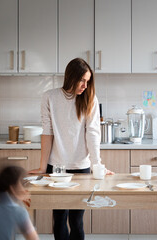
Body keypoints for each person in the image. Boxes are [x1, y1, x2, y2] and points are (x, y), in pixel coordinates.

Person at [29, 58, 112, 240]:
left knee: (77, 220)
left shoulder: (90, 98)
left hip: (81, 167)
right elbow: (47, 133)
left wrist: (98, 165)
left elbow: (93, 133)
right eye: (82, 80)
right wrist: (43, 168)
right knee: (59, 218)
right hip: (56, 168)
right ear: (70, 77)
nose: (85, 85)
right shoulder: (49, 97)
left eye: (87, 81)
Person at [0, 166, 39, 240]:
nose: (25, 189)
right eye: (23, 184)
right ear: (12, 189)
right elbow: (33, 238)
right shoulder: (19, 212)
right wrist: (22, 204)